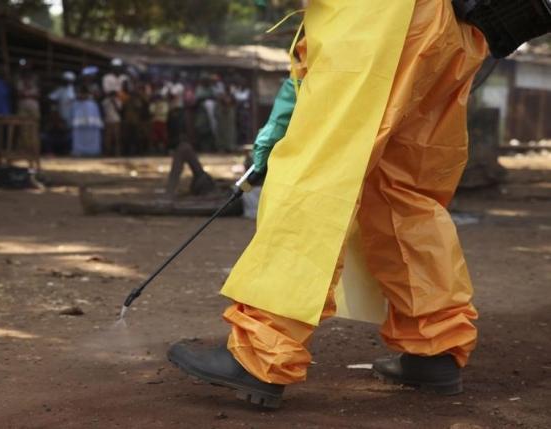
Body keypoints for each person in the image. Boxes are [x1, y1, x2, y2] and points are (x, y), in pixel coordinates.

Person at [168, 0, 500, 409]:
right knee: (404, 190)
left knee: (317, 175)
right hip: (455, 27)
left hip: (378, 20)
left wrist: (294, 98)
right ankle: (434, 345)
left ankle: (262, 351)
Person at [71, 67, 103, 157]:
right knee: (80, 129)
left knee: (93, 129)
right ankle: (79, 150)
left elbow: (98, 96)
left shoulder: (95, 86)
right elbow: (78, 96)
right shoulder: (79, 86)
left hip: (92, 108)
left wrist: (91, 94)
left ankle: (93, 150)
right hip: (81, 108)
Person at [101, 58, 128, 156]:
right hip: (110, 105)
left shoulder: (124, 77)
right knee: (110, 130)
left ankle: (118, 152)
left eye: (119, 68)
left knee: (119, 131)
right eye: (115, 67)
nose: (117, 69)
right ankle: (107, 152)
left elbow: (126, 91)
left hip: (122, 105)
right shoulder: (107, 78)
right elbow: (108, 92)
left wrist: (120, 93)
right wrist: (117, 94)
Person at [15, 59, 40, 158]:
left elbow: (38, 94)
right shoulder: (18, 79)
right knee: (23, 128)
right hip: (22, 105)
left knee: (34, 128)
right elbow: (18, 93)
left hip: (33, 106)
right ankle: (24, 150)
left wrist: (27, 94)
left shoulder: (35, 78)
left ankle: (34, 150)